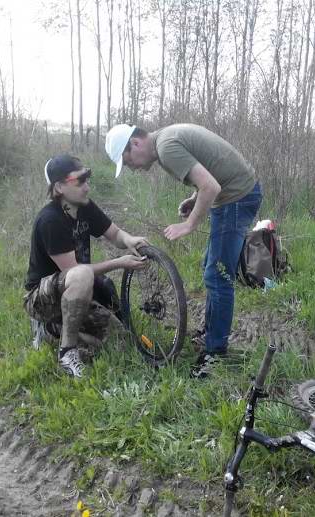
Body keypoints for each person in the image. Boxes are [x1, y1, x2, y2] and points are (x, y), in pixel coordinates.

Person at [104, 123, 262, 379]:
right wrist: (194, 198)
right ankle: (211, 334)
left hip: (237, 198)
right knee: (211, 269)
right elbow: (210, 176)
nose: (132, 168)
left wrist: (189, 225)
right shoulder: (166, 139)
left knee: (218, 277)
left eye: (127, 161)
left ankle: (215, 352)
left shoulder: (166, 148)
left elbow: (211, 187)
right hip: (237, 193)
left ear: (134, 143)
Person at [24, 153, 148, 378]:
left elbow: (115, 234)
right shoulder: (50, 220)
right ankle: (65, 349)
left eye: (87, 179)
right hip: (43, 297)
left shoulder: (85, 207)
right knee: (82, 274)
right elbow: (73, 271)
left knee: (122, 341)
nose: (87, 187)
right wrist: (119, 263)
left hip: (77, 289)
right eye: (80, 181)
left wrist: (129, 240)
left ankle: (60, 329)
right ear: (60, 186)